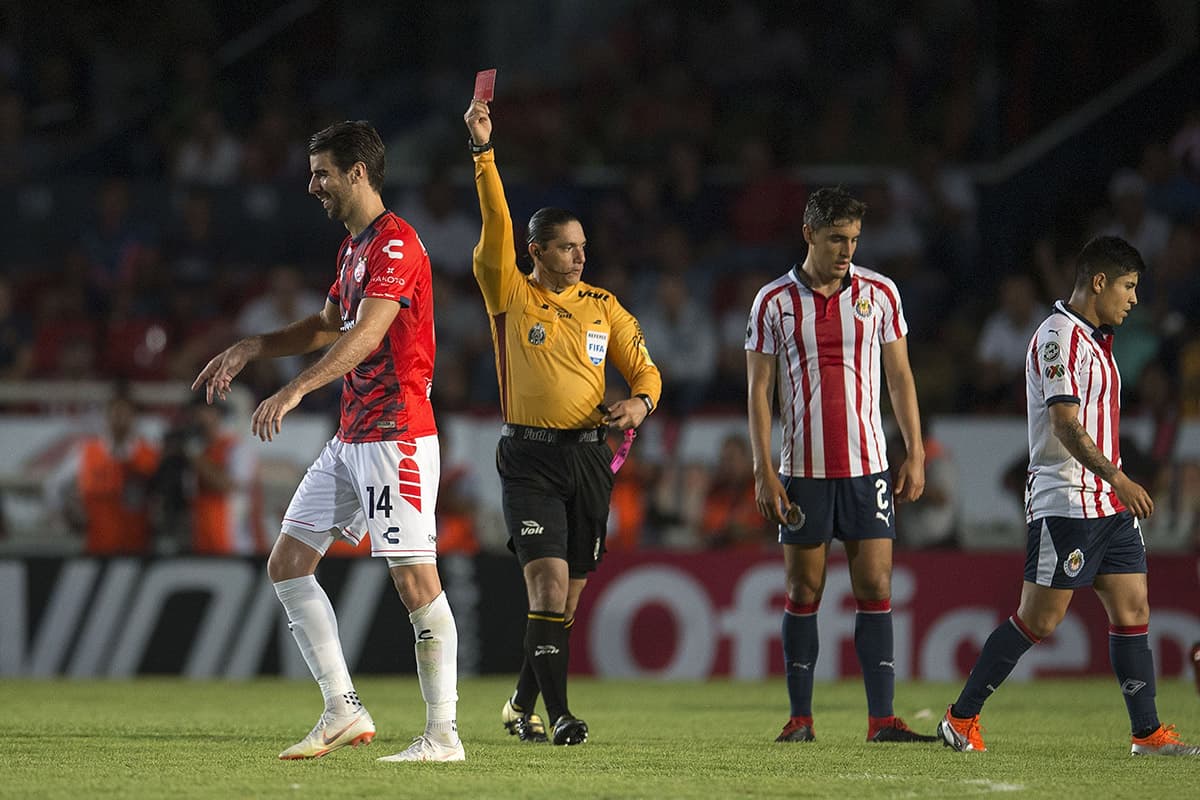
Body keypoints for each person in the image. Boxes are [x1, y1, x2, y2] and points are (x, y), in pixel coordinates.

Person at [191, 120, 465, 763]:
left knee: (416, 583)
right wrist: (254, 345)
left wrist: (293, 390)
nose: (312, 185)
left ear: (357, 173)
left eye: (322, 173)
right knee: (287, 563)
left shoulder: (396, 246)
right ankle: (342, 709)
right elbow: (326, 323)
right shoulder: (353, 249)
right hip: (351, 436)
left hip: (395, 434)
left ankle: (444, 735)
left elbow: (367, 334)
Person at [938, 236, 1200, 757]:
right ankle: (960, 718)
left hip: (1109, 505)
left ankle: (1146, 733)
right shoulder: (1057, 338)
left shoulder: (1097, 340)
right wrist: (1120, 478)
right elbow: (1064, 426)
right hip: (1067, 501)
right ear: (1098, 282)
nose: (1133, 299)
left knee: (1133, 608)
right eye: (1127, 286)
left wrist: (1117, 486)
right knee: (1040, 618)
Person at [464, 97, 662, 746]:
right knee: (547, 588)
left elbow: (647, 373)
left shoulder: (606, 307)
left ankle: (520, 706)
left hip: (589, 459)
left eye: (582, 247)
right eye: (567, 248)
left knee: (565, 606)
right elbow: (495, 222)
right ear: (537, 252)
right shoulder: (511, 293)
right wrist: (484, 152)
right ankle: (562, 716)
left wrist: (639, 404)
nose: (580, 257)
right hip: (529, 460)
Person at [745, 186, 936, 744]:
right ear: (809, 234)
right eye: (836, 239)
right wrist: (763, 468)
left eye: (853, 239)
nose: (846, 249)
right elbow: (760, 391)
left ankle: (882, 721)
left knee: (875, 585)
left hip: (868, 467)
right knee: (803, 592)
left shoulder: (881, 292)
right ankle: (800, 719)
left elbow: (900, 377)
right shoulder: (772, 301)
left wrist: (915, 451)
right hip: (802, 470)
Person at [45, 384, 160, 555]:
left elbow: (163, 496)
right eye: (115, 412)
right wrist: (66, 519)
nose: (120, 418)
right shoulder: (87, 452)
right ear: (107, 415)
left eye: (125, 413)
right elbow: (53, 485)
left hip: (138, 549)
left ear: (134, 417)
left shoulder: (150, 454)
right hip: (97, 547)